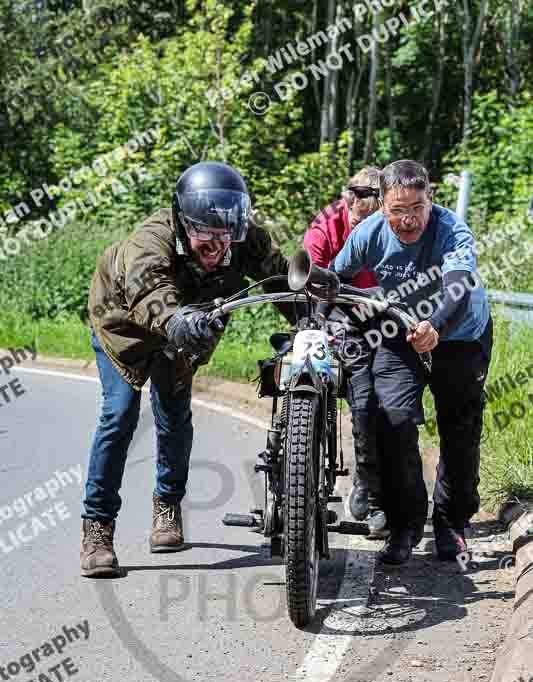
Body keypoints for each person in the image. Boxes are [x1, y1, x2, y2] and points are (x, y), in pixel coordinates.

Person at [81, 161, 295, 577]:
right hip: (126, 328)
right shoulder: (149, 241)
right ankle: (97, 529)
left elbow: (279, 280)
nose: (217, 245)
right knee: (119, 415)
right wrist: (176, 320)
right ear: (182, 221)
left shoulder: (246, 239)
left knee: (174, 418)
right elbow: (148, 289)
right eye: (205, 235)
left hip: (187, 332)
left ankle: (167, 508)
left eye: (226, 233)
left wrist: (313, 313)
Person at [330, 159, 492, 566]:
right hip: (400, 333)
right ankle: (404, 524)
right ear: (382, 205)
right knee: (391, 420)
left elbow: (457, 289)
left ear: (429, 199)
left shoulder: (451, 229)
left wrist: (435, 326)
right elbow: (336, 279)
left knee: (460, 426)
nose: (408, 220)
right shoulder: (367, 233)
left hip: (459, 334)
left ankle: (451, 524)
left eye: (416, 208)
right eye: (398, 210)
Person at [303, 167, 387, 535]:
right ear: (347, 202)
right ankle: (296, 452)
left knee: (374, 397)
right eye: (358, 219)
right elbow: (309, 277)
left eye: (372, 220)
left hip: (378, 309)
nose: (363, 230)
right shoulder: (326, 224)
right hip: (331, 306)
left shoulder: (392, 225)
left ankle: (369, 481)